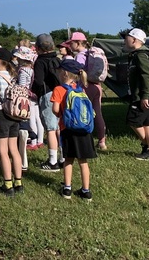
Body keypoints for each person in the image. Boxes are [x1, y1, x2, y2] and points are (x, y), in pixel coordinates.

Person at [51, 58, 97, 201]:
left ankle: (67, 189)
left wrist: (61, 115)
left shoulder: (58, 89)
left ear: (65, 73)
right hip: (84, 131)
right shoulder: (80, 89)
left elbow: (55, 109)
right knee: (83, 161)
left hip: (68, 129)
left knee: (68, 160)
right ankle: (86, 191)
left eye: (59, 71)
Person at [0, 47, 23, 196]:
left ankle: (8, 184)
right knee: (14, 149)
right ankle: (18, 182)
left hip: (2, 114)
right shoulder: (13, 77)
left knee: (3, 150)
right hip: (14, 115)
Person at [124, 28, 149, 161]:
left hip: (142, 95)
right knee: (147, 122)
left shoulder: (141, 55)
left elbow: (146, 76)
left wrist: (144, 96)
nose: (124, 41)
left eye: (127, 38)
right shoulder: (136, 55)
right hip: (141, 94)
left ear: (134, 40)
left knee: (133, 120)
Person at [68, 31, 107, 150]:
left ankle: (84, 139)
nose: (70, 45)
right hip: (97, 86)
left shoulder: (80, 56)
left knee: (83, 113)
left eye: (71, 43)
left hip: (85, 86)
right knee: (98, 113)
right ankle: (102, 141)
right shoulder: (91, 53)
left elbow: (76, 72)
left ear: (78, 43)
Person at [31, 34, 62, 172]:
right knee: (59, 127)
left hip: (48, 95)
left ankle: (52, 161)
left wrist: (35, 92)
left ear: (37, 48)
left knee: (50, 129)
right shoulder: (57, 59)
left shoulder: (40, 61)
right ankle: (63, 157)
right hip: (60, 93)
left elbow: (38, 81)